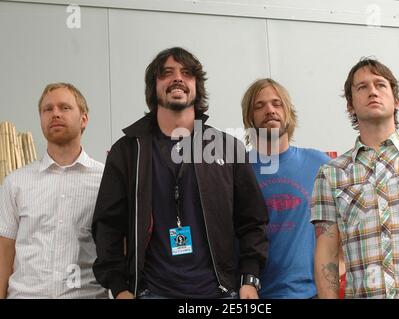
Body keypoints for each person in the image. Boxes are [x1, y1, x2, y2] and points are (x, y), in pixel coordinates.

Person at [92, 47, 269, 299]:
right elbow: (107, 225)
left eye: (186, 73)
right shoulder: (128, 150)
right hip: (150, 292)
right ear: (154, 87)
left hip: (219, 292)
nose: (177, 78)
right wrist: (120, 288)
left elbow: (252, 220)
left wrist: (249, 280)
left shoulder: (227, 148)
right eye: (167, 73)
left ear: (197, 86)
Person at [311, 58, 399, 299]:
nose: (372, 91)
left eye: (380, 84)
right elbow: (327, 252)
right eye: (362, 87)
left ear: (396, 101)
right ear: (350, 105)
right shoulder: (330, 174)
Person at [0, 83, 107, 298]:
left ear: (83, 119)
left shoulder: (106, 180)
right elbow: (5, 249)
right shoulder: (16, 182)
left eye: (64, 107)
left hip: (85, 295)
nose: (55, 113)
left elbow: (118, 247)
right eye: (47, 109)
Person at [240, 78, 330, 298]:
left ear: (288, 111)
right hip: (255, 293)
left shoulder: (320, 164)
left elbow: (350, 222)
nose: (269, 110)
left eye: (276, 103)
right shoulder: (237, 169)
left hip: (311, 293)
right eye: (259, 106)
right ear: (249, 118)